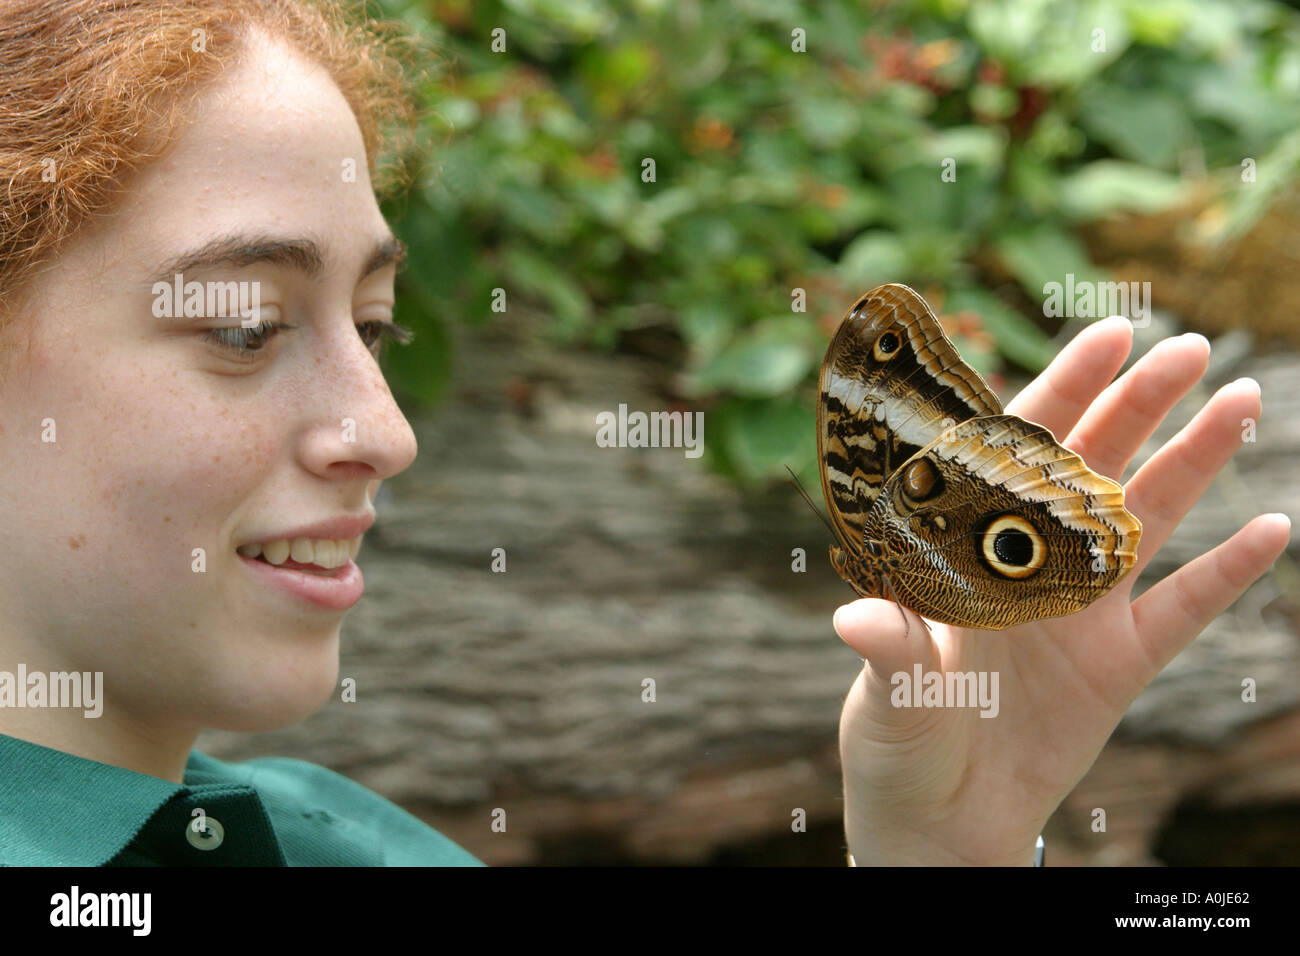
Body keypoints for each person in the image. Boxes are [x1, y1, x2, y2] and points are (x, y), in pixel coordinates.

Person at [0, 0, 1288, 868]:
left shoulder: (350, 845)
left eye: (378, 325)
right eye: (244, 327)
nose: (384, 432)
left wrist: (945, 857)